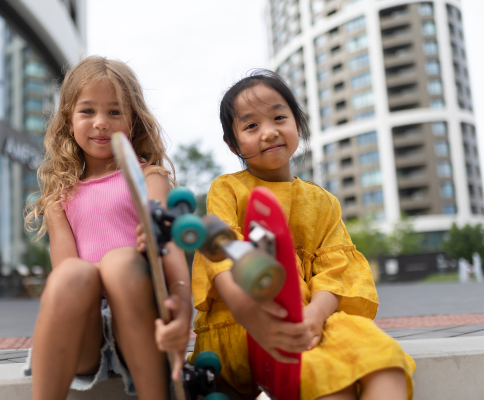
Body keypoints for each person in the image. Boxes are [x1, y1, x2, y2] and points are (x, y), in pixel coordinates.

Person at [188, 70, 416, 400]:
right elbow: (220, 256)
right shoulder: (228, 189)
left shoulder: (323, 203)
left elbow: (335, 271)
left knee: (386, 362)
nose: (268, 132)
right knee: (328, 381)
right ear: (232, 143)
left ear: (297, 123)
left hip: (313, 319)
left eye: (279, 117)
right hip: (246, 325)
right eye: (251, 126)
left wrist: (316, 314)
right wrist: (251, 314)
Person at [23, 56, 191, 400]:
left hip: (143, 315)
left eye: (115, 112)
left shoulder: (150, 179)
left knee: (119, 262)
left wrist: (183, 308)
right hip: (87, 333)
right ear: (69, 120)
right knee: (71, 276)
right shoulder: (59, 193)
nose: (101, 123)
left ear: (133, 121)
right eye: (87, 111)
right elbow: (67, 272)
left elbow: (169, 248)